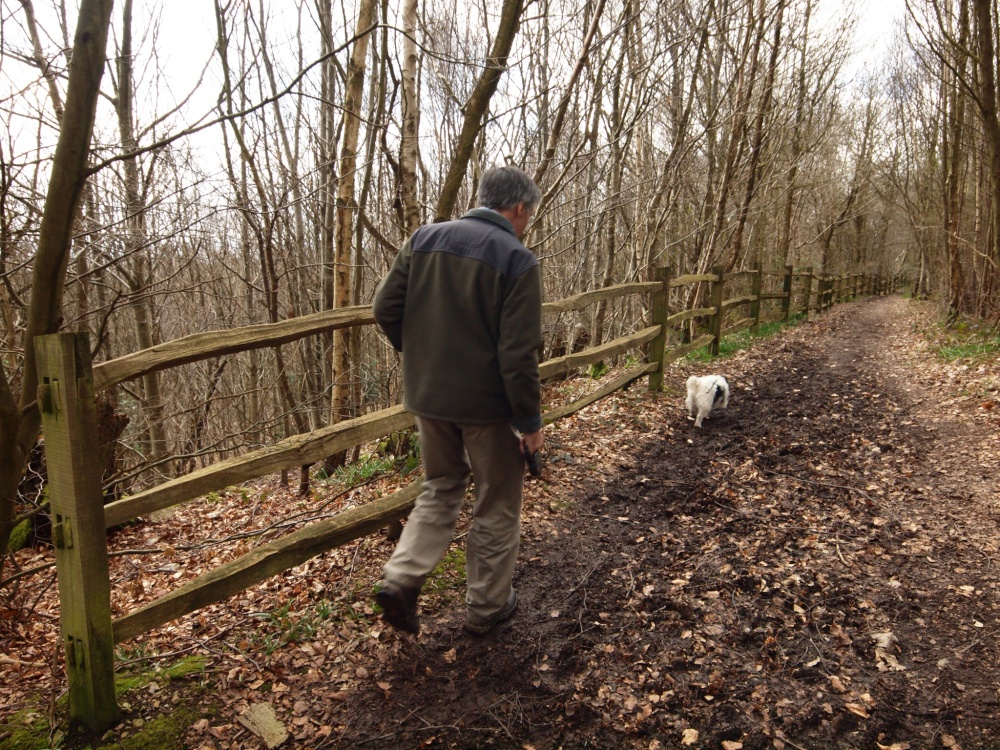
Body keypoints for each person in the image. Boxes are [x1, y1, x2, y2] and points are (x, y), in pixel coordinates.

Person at [372, 165, 544, 636]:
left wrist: (423, 358)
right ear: (520, 208)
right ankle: (488, 607)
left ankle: (402, 577)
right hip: (489, 409)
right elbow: (517, 356)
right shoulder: (517, 260)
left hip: (428, 397)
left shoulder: (424, 238)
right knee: (497, 501)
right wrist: (529, 421)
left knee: (441, 486)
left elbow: (384, 309)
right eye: (530, 215)